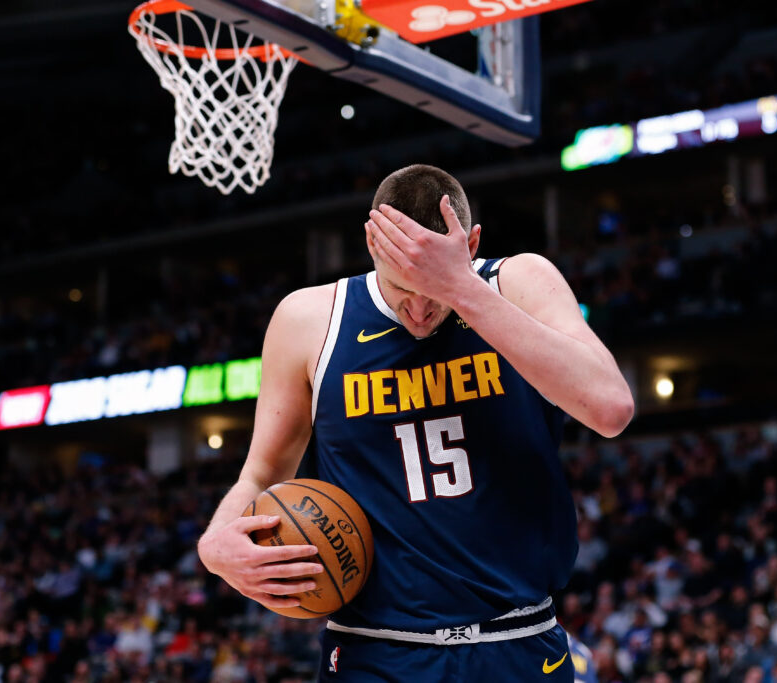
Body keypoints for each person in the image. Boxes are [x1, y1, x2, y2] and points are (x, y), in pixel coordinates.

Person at [197, 164, 634, 681]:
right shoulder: (309, 320)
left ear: (471, 243)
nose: (421, 311)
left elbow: (611, 410)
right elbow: (263, 473)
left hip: (517, 642)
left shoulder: (519, 283)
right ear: (372, 243)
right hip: (373, 652)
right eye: (405, 287)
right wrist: (215, 543)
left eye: (435, 291)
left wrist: (463, 289)